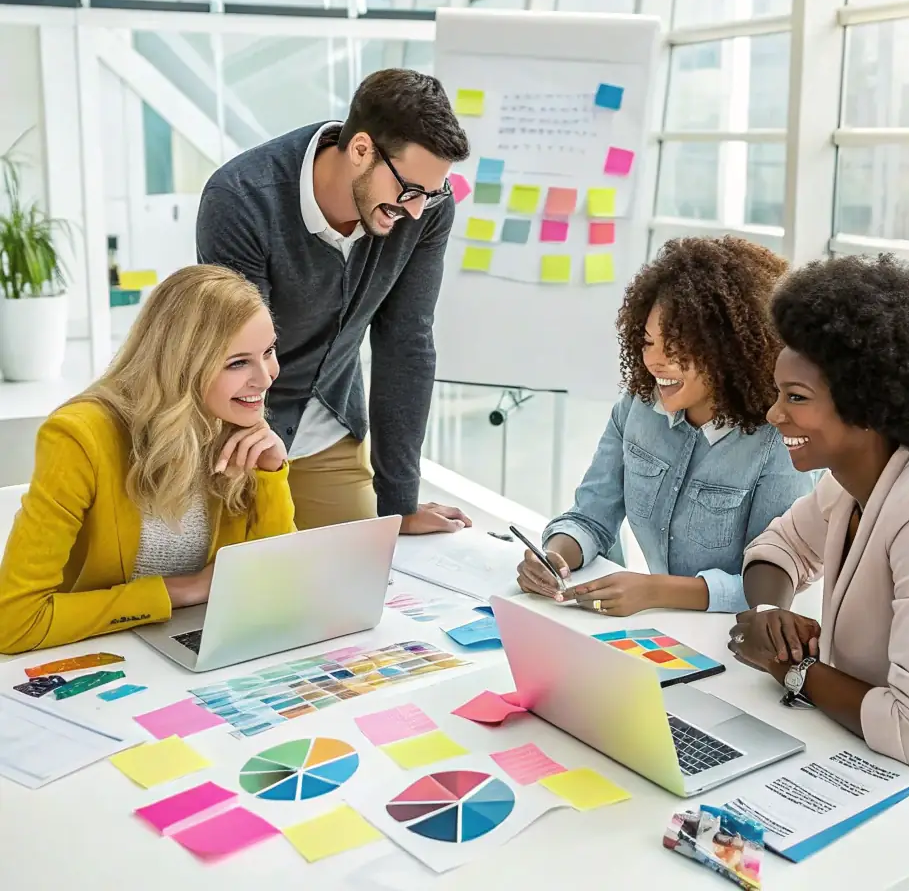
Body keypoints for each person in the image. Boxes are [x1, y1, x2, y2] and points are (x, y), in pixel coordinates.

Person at [729, 255, 909, 889]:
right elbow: (774, 550)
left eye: (796, 398)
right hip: (883, 776)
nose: (774, 413)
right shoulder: (851, 484)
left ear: (866, 406)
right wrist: (770, 614)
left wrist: (787, 666)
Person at [197, 68, 473, 535]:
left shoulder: (425, 209)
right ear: (361, 149)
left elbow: (406, 341)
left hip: (329, 426)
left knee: (362, 568)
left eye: (432, 193)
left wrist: (399, 504)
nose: (415, 211)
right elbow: (238, 355)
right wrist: (262, 465)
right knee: (250, 574)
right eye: (409, 190)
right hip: (239, 433)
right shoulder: (242, 199)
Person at [0, 265, 296, 654]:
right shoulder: (80, 437)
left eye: (268, 352)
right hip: (98, 656)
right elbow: (14, 622)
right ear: (182, 364)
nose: (267, 377)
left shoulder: (235, 425)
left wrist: (272, 473)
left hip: (202, 650)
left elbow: (280, 584)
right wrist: (182, 590)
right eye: (238, 362)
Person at [517, 237, 814, 616]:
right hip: (661, 624)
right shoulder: (636, 409)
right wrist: (553, 557)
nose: (654, 361)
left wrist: (653, 591)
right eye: (647, 342)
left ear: (727, 349)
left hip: (737, 633)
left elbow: (770, 586)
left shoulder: (780, 441)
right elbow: (590, 517)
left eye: (675, 347)